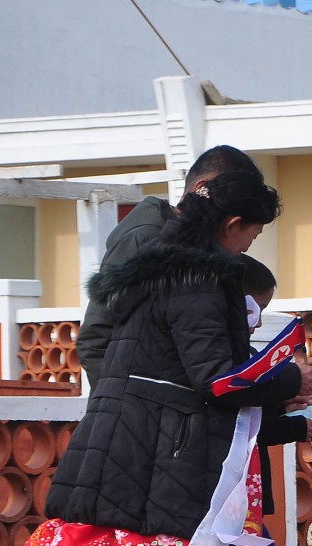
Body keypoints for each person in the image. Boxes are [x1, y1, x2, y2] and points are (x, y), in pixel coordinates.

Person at [0, 172, 312, 546]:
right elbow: (216, 381)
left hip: (130, 449)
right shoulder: (200, 278)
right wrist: (287, 380)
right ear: (232, 223)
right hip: (164, 463)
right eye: (252, 235)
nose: (248, 247)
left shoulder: (157, 268)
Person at [76, 144, 264, 389]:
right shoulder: (146, 239)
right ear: (202, 189)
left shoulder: (197, 248)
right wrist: (129, 405)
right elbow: (96, 339)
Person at [239, 253, 312, 546]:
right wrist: (295, 428)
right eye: (255, 311)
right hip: (230, 496)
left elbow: (254, 413)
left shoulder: (244, 353)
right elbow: (242, 426)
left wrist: (281, 405)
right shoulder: (228, 359)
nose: (257, 323)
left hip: (244, 496)